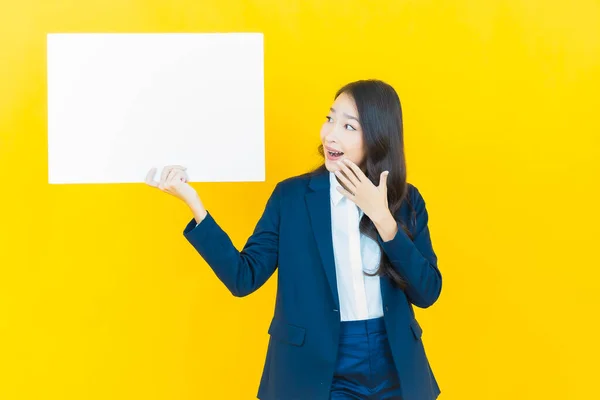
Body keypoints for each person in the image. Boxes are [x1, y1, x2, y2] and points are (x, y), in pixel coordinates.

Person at [146, 79, 442, 400]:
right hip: (315, 367)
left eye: (348, 126)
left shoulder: (407, 200)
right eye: (330, 119)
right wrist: (194, 204)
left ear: (378, 137)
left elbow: (427, 293)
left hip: (394, 363)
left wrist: (383, 220)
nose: (330, 134)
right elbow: (242, 277)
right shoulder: (291, 197)